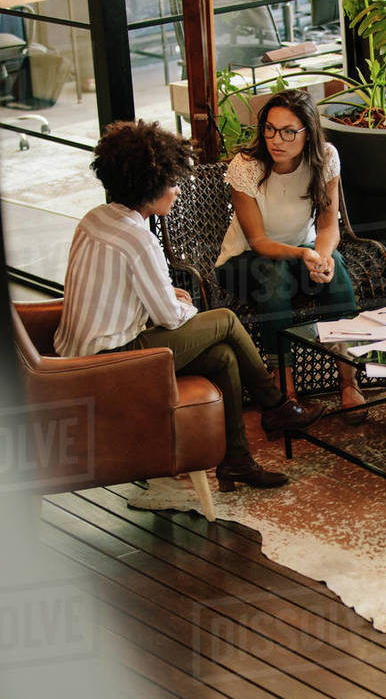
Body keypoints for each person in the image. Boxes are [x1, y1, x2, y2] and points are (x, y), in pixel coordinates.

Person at [54, 119, 321, 492]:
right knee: (225, 320)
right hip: (112, 361)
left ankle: (237, 462)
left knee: (225, 356)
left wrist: (166, 294)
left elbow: (121, 290)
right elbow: (168, 316)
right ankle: (276, 406)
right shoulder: (138, 240)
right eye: (172, 183)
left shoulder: (96, 219)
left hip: (79, 356)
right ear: (150, 187)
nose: (177, 191)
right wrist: (177, 303)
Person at [215, 89, 365, 423]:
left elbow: (329, 227)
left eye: (287, 132)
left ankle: (349, 382)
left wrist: (322, 257)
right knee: (274, 275)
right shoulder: (247, 167)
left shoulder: (325, 158)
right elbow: (259, 241)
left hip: (298, 256)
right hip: (242, 263)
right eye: (269, 129)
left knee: (337, 267)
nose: (275, 139)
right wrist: (303, 254)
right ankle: (285, 396)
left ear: (307, 133)